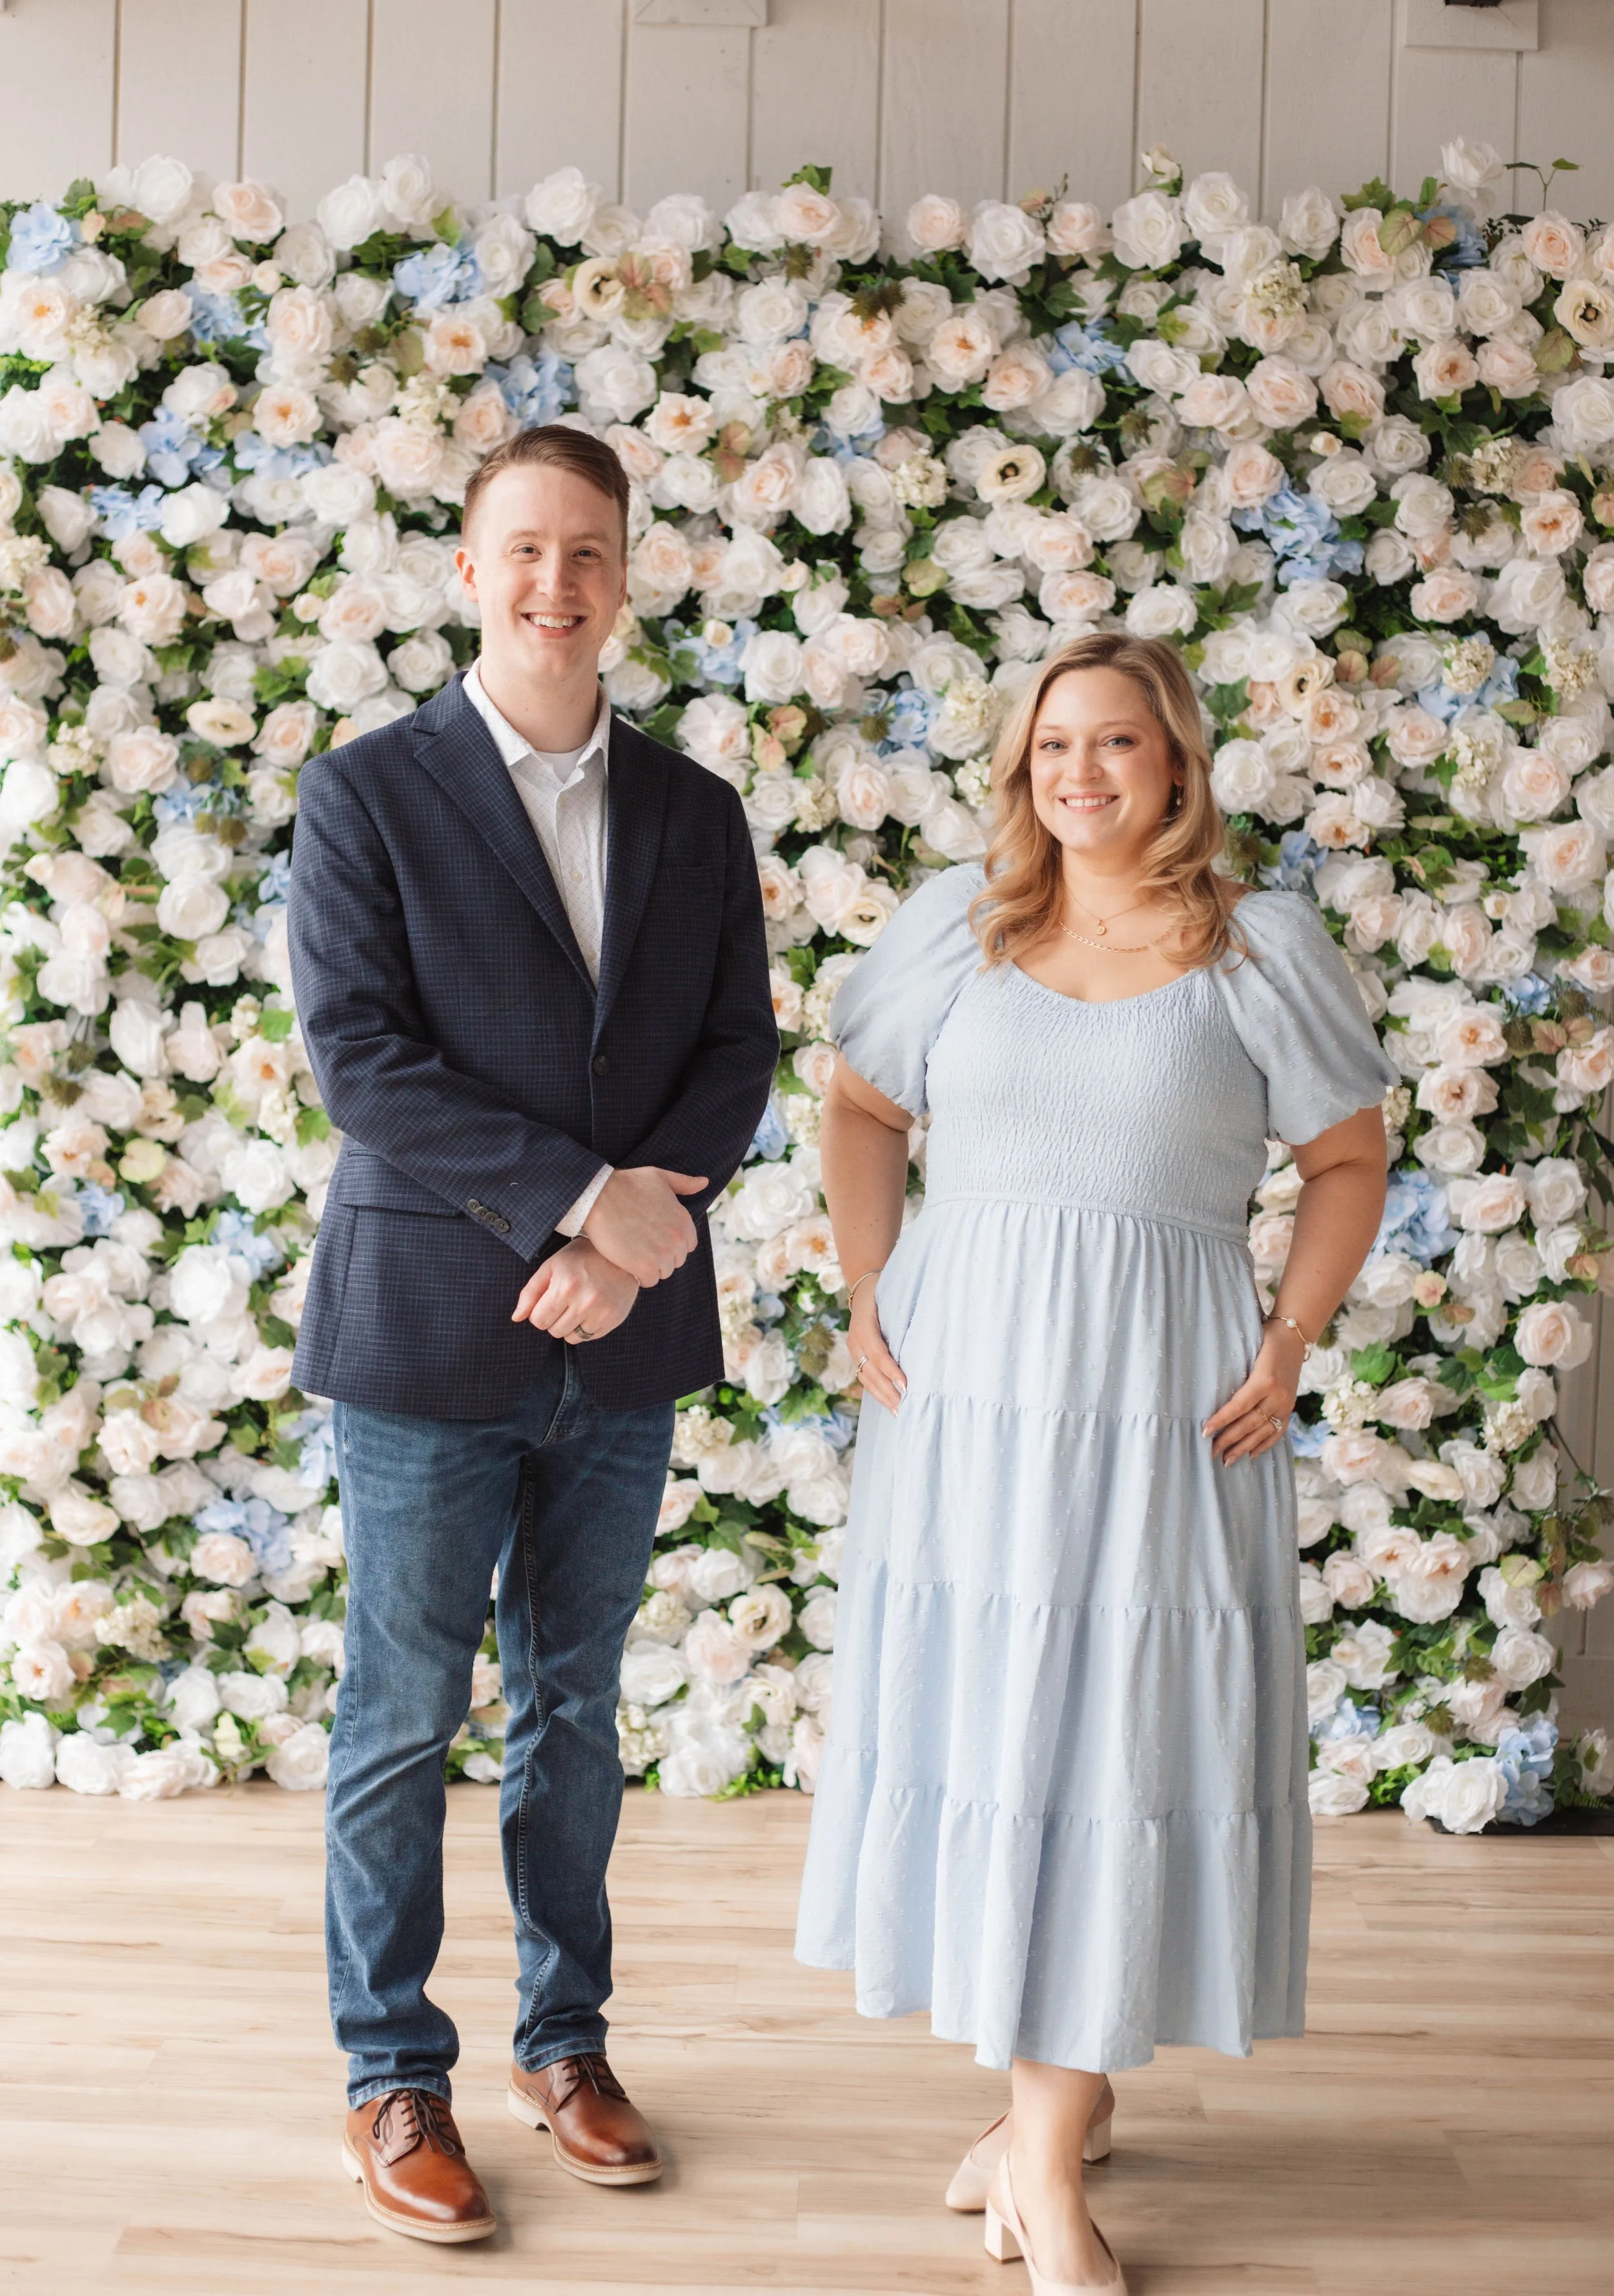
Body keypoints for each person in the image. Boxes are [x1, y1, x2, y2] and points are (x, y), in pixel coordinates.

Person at [795, 632, 1393, 2293]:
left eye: (1117, 741)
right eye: (1055, 742)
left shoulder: (1257, 947)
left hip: (1158, 1400)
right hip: (967, 1400)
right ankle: (1051, 2112)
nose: (1082, 771)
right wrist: (866, 1287)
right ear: (1021, 767)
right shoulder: (957, 930)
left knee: (1112, 1734)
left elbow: (1347, 1157)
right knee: (1004, 1725)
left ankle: (1043, 2161)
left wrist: (1285, 1341)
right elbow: (855, 1105)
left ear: (1177, 763)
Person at [289, 425, 777, 2244]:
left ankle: (561, 2042)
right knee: (403, 1709)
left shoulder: (691, 809)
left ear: (623, 577)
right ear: (467, 568)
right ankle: (388, 2070)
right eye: (522, 549)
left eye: (587, 552)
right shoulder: (366, 794)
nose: (554, 582)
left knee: (576, 1707)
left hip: (624, 1338)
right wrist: (583, 1206)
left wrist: (636, 1244)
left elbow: (736, 1051)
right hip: (429, 1329)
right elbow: (362, 1061)